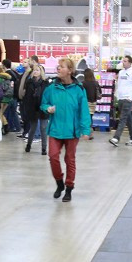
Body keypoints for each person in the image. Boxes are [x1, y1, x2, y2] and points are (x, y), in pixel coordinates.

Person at [42, 57, 92, 202]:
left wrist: (85, 130)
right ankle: (59, 183)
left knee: (70, 159)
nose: (58, 69)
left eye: (62, 67)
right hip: (55, 130)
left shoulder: (78, 90)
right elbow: (43, 104)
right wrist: (47, 108)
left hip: (72, 131)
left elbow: (83, 111)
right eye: (58, 66)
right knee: (52, 156)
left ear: (70, 71)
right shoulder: (52, 88)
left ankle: (69, 187)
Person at [110, 55, 132, 147]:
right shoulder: (121, 72)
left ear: (130, 63)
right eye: (123, 61)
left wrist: (131, 97)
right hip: (121, 98)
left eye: (126, 61)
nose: (124, 62)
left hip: (128, 98)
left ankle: (116, 137)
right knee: (128, 118)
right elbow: (119, 85)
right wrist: (117, 96)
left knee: (122, 118)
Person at [21, 65, 48, 155]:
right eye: (34, 70)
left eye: (37, 70)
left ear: (41, 72)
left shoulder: (45, 83)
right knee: (33, 128)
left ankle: (44, 148)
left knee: (43, 128)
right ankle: (29, 145)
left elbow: (47, 96)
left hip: (43, 107)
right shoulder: (29, 82)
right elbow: (27, 97)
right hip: (32, 108)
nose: (35, 72)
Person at [82, 68, 100, 140]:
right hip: (94, 102)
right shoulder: (96, 83)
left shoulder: (83, 83)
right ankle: (89, 132)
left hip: (86, 102)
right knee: (90, 117)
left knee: (86, 118)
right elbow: (100, 92)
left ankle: (89, 132)